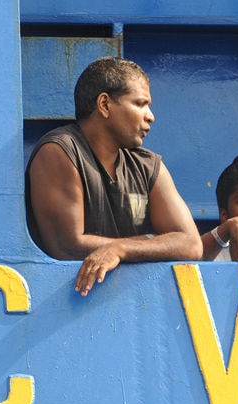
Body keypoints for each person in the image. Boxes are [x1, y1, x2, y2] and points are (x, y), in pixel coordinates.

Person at [25, 56, 202, 296]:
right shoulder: (60, 151)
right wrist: (150, 241)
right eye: (140, 104)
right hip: (65, 308)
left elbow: (190, 244)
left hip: (132, 306)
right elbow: (66, 246)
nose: (150, 116)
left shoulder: (147, 164)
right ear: (105, 104)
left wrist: (120, 249)